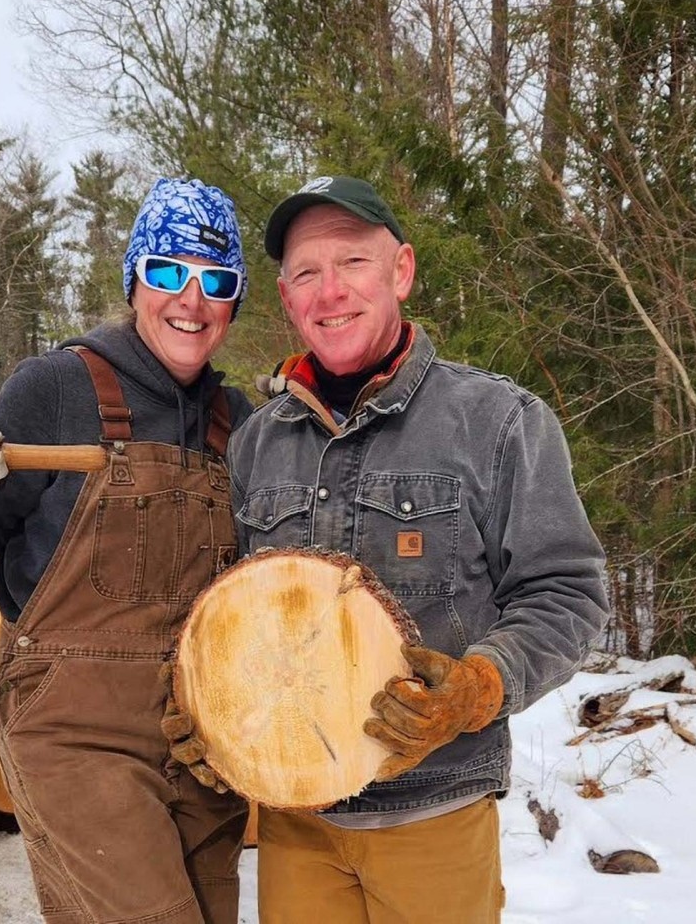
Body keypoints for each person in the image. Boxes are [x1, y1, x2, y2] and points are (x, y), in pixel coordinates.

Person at [179, 175, 610, 923]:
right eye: (306, 273)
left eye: (352, 262)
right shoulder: (257, 444)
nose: (329, 291)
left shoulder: (499, 422)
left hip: (433, 815)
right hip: (294, 822)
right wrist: (211, 709)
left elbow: (567, 593)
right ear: (286, 299)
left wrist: (480, 684)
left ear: (400, 271)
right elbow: (234, 617)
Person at [0, 177, 253, 924]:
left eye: (216, 280)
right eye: (168, 271)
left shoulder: (239, 420)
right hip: (72, 723)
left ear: (235, 301)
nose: (190, 300)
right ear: (134, 277)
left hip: (200, 732)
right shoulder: (58, 388)